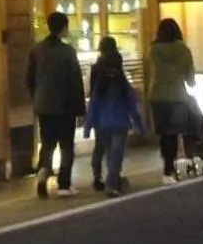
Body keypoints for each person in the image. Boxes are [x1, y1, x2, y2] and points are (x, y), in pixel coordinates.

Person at [27, 11, 86, 197]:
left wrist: (36, 96)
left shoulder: (37, 50)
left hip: (43, 104)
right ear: (64, 28)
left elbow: (29, 78)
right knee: (66, 145)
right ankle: (64, 185)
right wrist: (80, 107)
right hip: (65, 106)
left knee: (48, 143)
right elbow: (75, 82)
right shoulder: (68, 52)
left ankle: (43, 173)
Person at [82, 37, 146, 197]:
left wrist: (88, 127)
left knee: (103, 149)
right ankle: (112, 182)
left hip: (102, 123)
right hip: (120, 123)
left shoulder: (99, 81)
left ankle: (101, 176)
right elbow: (131, 105)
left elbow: (93, 104)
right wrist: (140, 125)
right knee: (115, 154)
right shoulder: (121, 82)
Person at [148, 17, 198, 182]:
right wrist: (190, 82)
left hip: (157, 96)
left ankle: (167, 169)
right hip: (177, 96)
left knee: (164, 134)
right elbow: (190, 78)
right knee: (174, 133)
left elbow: (151, 72)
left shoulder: (153, 50)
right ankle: (170, 170)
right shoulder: (183, 50)